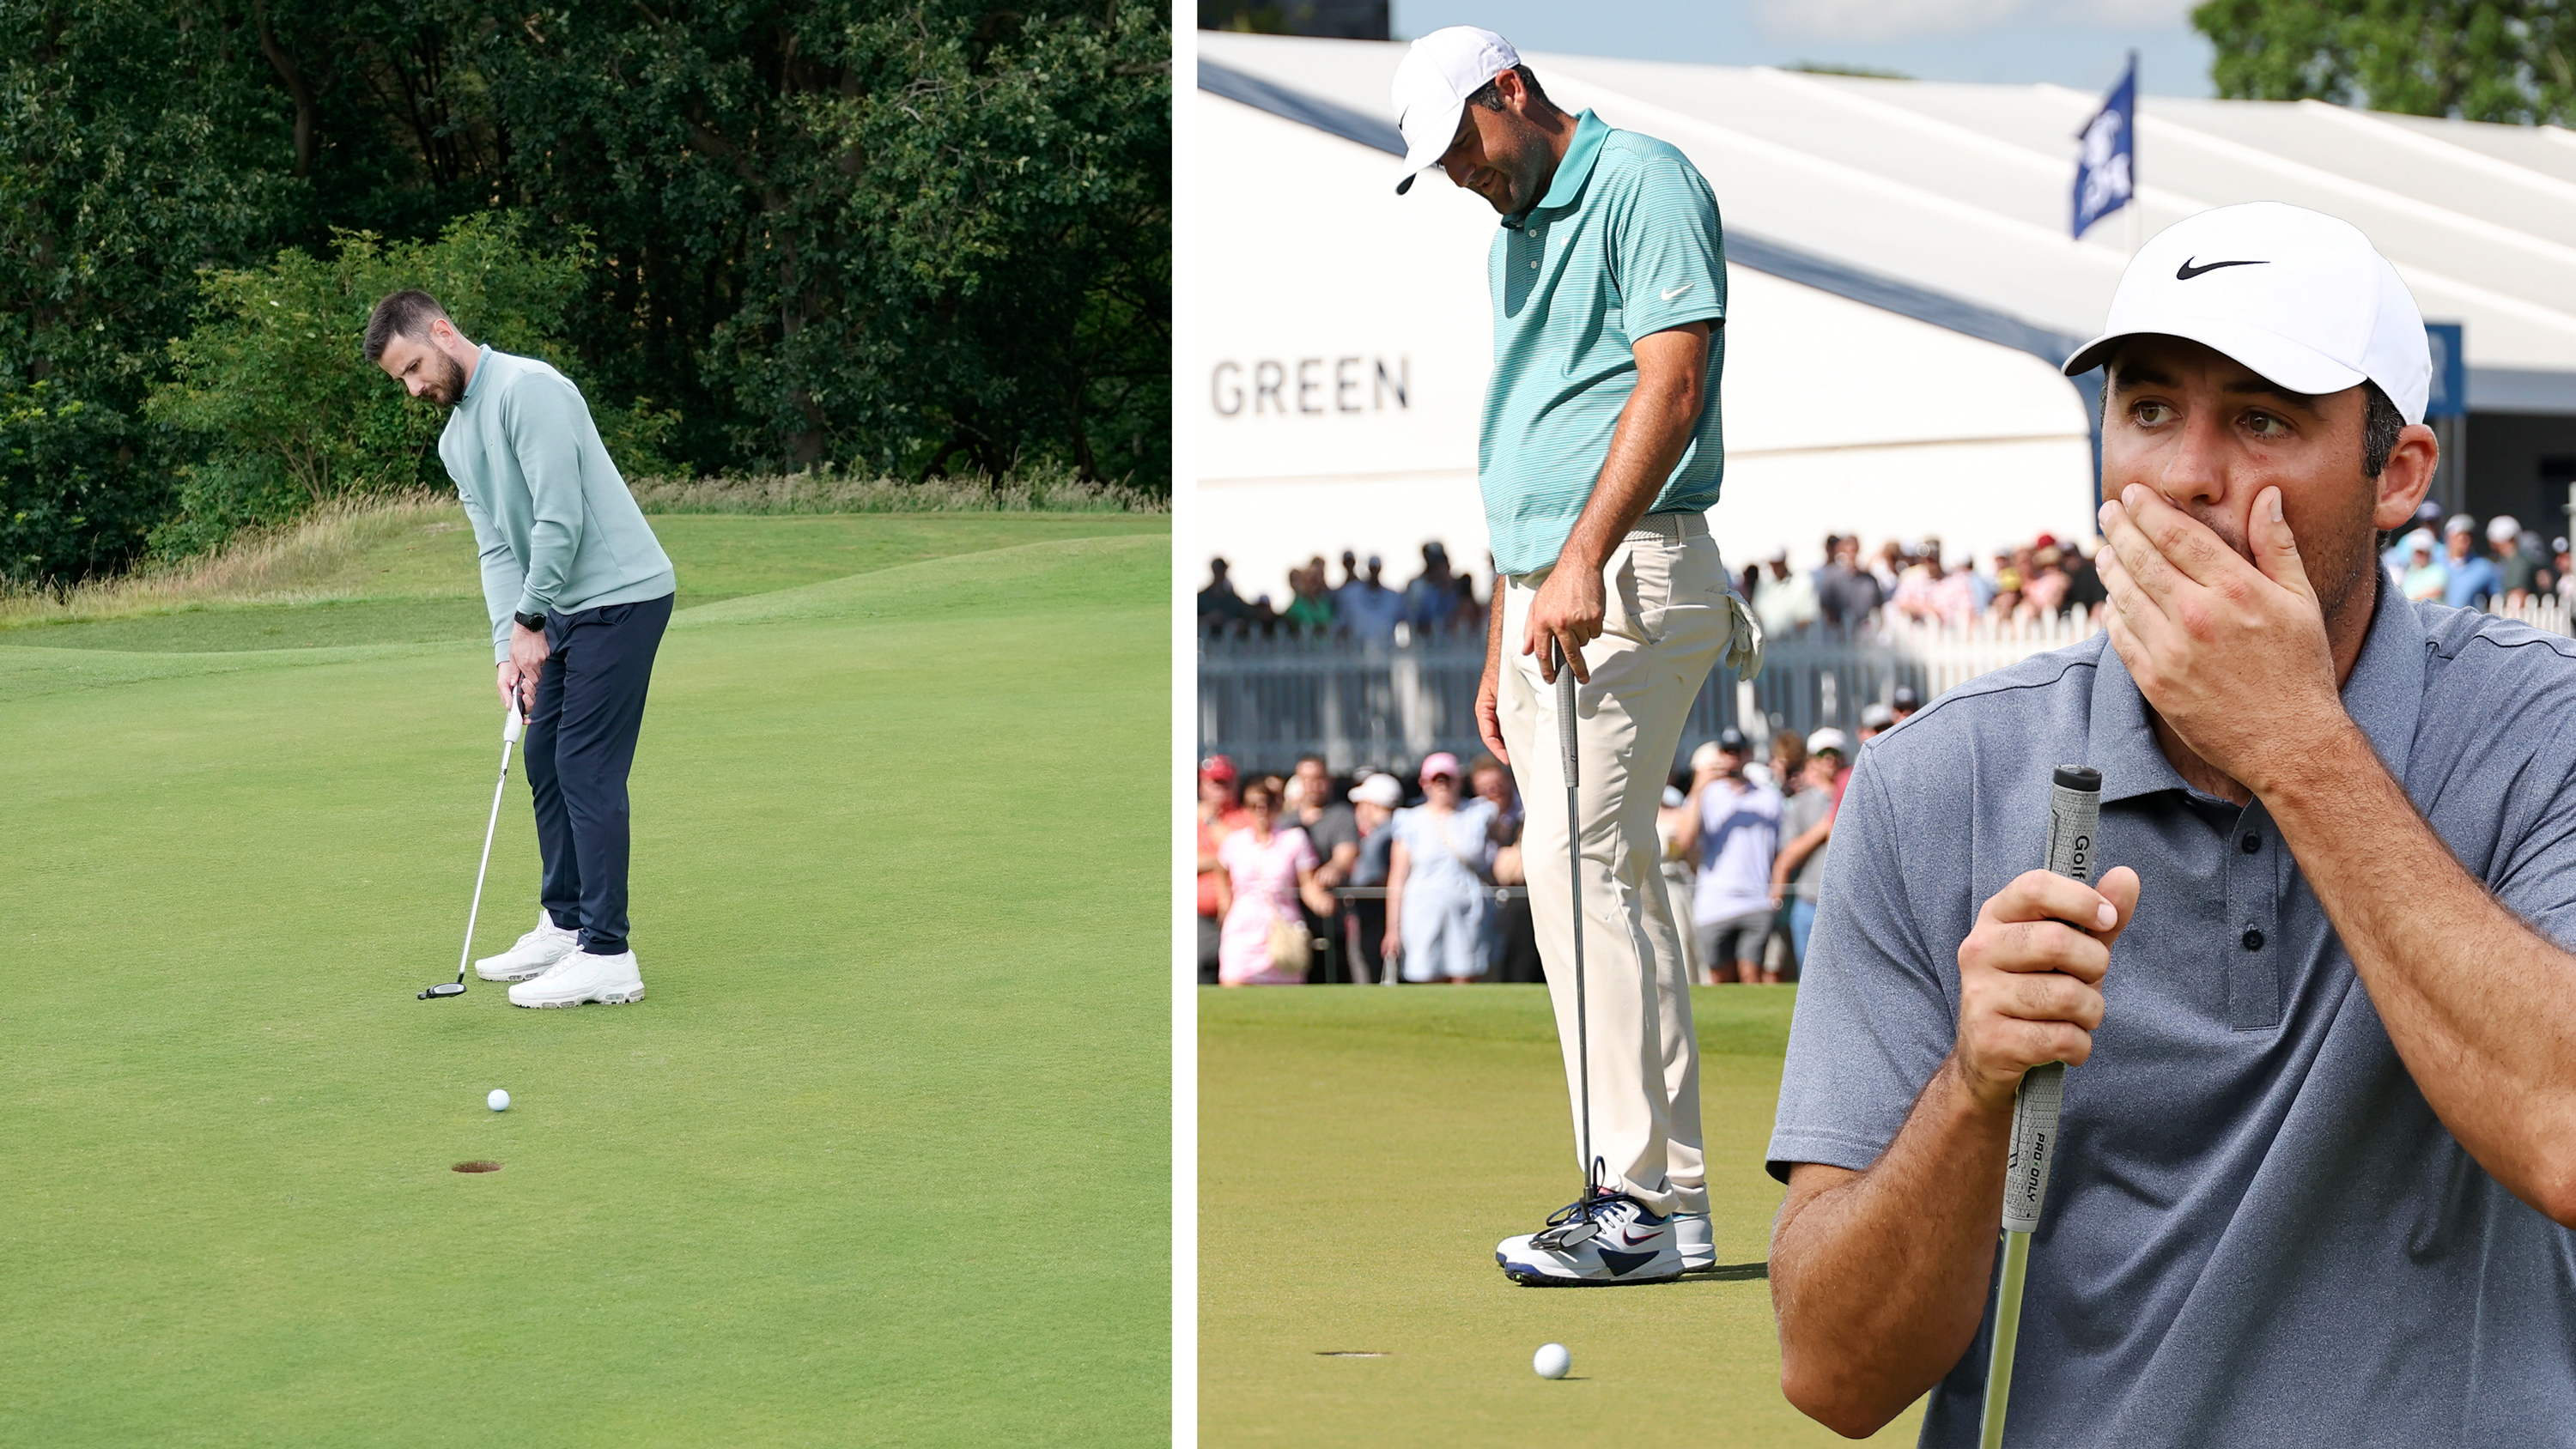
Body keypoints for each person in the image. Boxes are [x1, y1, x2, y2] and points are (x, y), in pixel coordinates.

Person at [1769, 203, 2576, 1445]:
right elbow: (1835, 1373)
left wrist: (2298, 747)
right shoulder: (1937, 780)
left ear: (2400, 473)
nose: (2188, 474)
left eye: (2262, 418)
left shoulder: (2540, 730)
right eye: (2149, 409)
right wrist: (1975, 1093)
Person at [1394, 23, 1759, 1284]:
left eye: (1461, 147)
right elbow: (1533, 432)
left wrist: (1583, 557)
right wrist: (1508, 617)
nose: (1458, 176)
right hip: (1556, 586)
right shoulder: (1516, 233)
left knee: (1579, 864)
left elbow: (1673, 382)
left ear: (1511, 92)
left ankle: (1637, 1204)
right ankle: (1669, 1206)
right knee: (1603, 878)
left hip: (1632, 570)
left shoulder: (1642, 178)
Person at [368, 289, 674, 1010]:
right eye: (403, 381)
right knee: (543, 755)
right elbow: (498, 547)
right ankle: (565, 925)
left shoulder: (530, 391)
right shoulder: (454, 439)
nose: (414, 389)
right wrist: (508, 646)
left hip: (621, 595)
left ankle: (608, 953)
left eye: (415, 367)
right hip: (560, 606)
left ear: (443, 331)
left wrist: (532, 618)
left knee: (584, 764)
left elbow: (558, 517)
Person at [1383, 753, 1505, 984]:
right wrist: (1392, 929)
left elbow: (1501, 844)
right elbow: (1397, 878)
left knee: (1466, 977)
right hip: (1422, 912)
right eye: (1435, 780)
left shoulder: (1479, 813)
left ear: (1458, 781)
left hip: (1470, 911)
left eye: (1448, 779)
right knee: (1428, 977)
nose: (1442, 786)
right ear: (1424, 784)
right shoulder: (1410, 820)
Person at [1687, 731, 1783, 985]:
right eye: (1727, 752)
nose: (1733, 759)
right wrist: (1699, 786)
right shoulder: (1708, 795)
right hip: (1714, 902)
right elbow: (1684, 839)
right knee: (1720, 977)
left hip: (1755, 899)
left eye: (1738, 752)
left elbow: (1780, 849)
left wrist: (1776, 889)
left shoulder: (1769, 798)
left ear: (1747, 755)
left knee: (1752, 974)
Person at [1214, 779, 1327, 986]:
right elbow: (1221, 870)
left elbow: (1307, 883)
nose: (1261, 811)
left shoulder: (1294, 839)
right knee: (1234, 982)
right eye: (1253, 805)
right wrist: (1224, 901)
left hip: (1281, 924)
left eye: (1266, 804)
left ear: (1276, 806)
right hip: (1243, 925)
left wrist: (1320, 901)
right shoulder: (1234, 842)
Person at [1292, 754, 1363, 980]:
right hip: (1294, 917)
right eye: (1307, 779)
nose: (1313, 785)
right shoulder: (1288, 821)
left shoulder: (1341, 816)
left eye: (1319, 778)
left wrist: (1333, 868)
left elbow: (1346, 853)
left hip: (1332, 917)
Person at [1343, 773, 1405, 984]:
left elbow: (1393, 875)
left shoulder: (1390, 834)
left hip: (1380, 915)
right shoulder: (1382, 832)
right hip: (1371, 914)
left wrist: (1363, 888)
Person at [1196, 756, 1249, 985]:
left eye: (1224, 783)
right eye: (1214, 782)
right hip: (1199, 916)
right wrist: (1216, 863)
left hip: (1240, 915)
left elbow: (1239, 855)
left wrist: (1210, 820)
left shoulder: (1243, 817)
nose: (1219, 789)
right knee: (1202, 968)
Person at [1814, 534, 1884, 631]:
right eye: (1848, 549)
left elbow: (1877, 606)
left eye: (1854, 549)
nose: (1851, 553)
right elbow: (1825, 605)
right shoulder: (1831, 577)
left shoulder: (1868, 579)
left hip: (1863, 631)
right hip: (1838, 631)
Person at [1333, 553, 1406, 643]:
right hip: (1356, 650)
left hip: (1385, 649)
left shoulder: (1393, 597)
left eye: (1376, 569)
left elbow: (1405, 620)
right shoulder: (1350, 594)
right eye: (1372, 568)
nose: (1374, 572)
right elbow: (1341, 624)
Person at [1754, 549, 1820, 638]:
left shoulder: (1802, 582)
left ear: (1784, 562)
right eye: (1772, 564)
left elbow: (1808, 616)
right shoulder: (1764, 584)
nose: (1775, 568)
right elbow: (1758, 613)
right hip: (1770, 643)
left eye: (1778, 564)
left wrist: (1790, 632)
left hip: (1795, 642)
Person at [2440, 512, 2500, 609]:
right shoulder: (2434, 560)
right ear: (2448, 537)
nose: (2465, 540)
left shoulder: (2484, 567)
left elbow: (2496, 598)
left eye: (2468, 536)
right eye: (2460, 536)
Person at [1401, 542, 1462, 632]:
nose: (1438, 569)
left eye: (1441, 564)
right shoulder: (1419, 587)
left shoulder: (1459, 587)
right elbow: (1414, 618)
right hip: (1429, 641)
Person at [1199, 557, 1256, 628]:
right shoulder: (1202, 598)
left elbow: (1248, 614)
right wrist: (1207, 619)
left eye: (1222, 570)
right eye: (1218, 571)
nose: (1220, 573)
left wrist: (1239, 622)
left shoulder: (1233, 599)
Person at [2398, 526, 2445, 601]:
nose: (2418, 556)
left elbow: (2436, 591)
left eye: (2422, 553)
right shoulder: (2411, 571)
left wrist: (2412, 600)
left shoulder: (2437, 570)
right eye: (2416, 552)